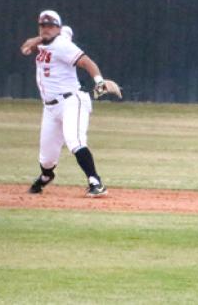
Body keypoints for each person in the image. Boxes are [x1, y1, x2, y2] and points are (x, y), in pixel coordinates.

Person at [20, 10, 122, 197]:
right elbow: (25, 48)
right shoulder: (43, 43)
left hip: (71, 101)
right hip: (50, 107)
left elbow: (86, 62)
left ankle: (96, 182)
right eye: (43, 25)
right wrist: (39, 39)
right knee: (47, 158)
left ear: (58, 28)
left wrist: (99, 82)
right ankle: (46, 176)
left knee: (74, 140)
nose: (46, 29)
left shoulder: (62, 45)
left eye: (51, 25)